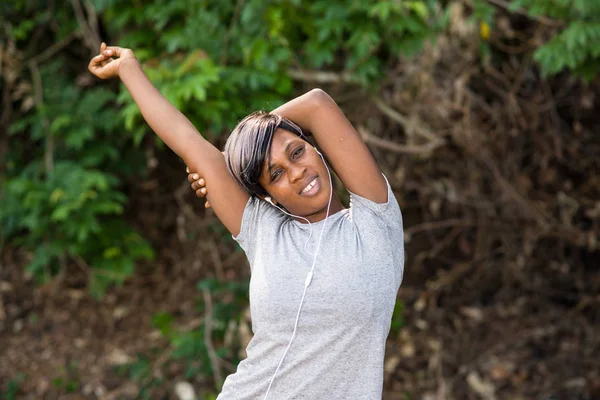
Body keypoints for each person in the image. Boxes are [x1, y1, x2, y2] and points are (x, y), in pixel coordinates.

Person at [89, 42, 404, 400]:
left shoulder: (374, 221)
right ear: (266, 194)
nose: (298, 172)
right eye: (276, 173)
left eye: (297, 152)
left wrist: (235, 157)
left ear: (317, 147)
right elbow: (186, 141)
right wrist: (129, 68)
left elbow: (317, 105)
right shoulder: (264, 230)